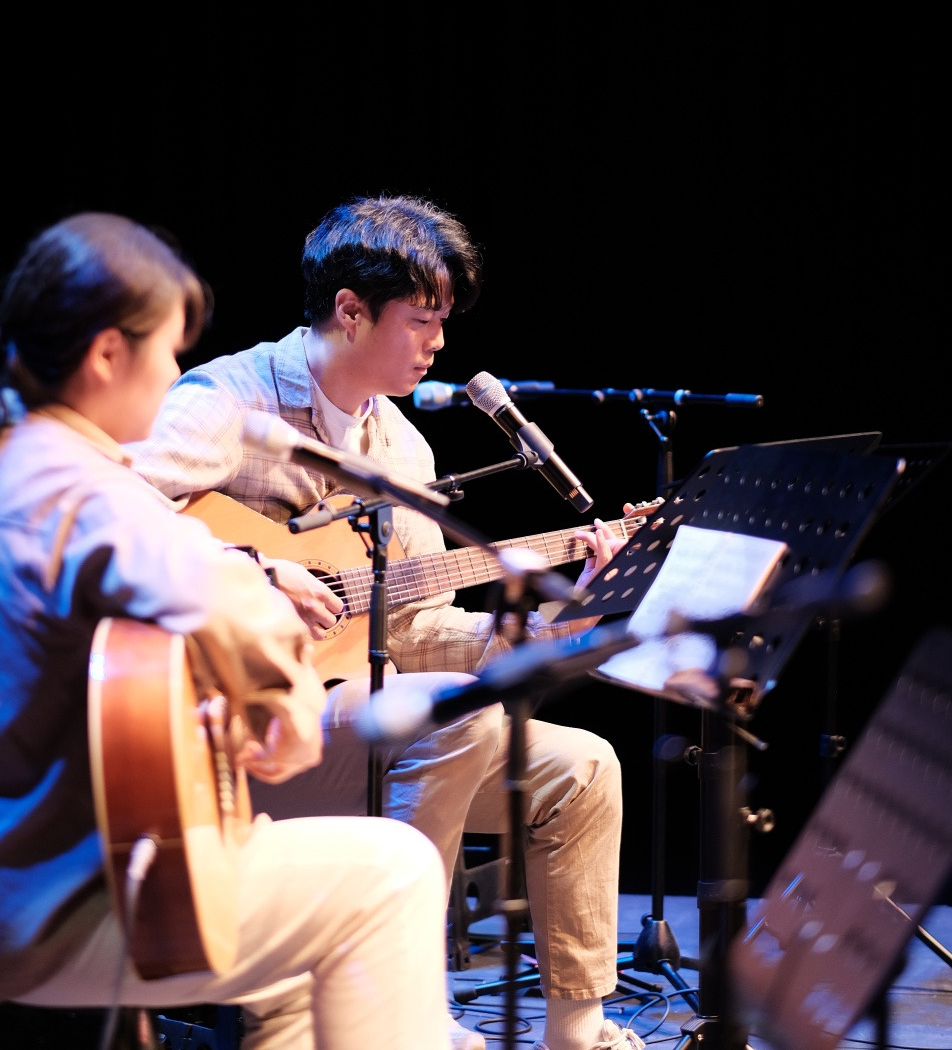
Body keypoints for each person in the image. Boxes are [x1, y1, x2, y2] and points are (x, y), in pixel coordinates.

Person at [0, 211, 457, 1050]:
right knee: (395, 868)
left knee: (293, 955)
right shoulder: (72, 485)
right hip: (46, 902)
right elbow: (225, 607)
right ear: (107, 356)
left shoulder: (7, 464)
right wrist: (278, 706)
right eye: (169, 350)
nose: (177, 375)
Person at [129, 194, 646, 1050]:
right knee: (453, 714)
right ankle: (403, 1010)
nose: (438, 342)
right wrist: (255, 568)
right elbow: (109, 512)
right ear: (350, 310)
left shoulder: (404, 449)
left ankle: (576, 1028)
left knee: (584, 768)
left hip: (352, 717)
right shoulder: (227, 399)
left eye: (443, 321)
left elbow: (415, 633)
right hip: (227, 726)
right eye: (422, 319)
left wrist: (570, 611)